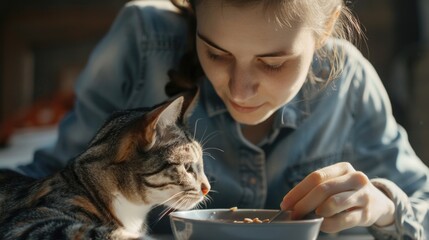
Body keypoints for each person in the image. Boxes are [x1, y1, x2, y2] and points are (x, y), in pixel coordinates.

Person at [14, 0, 428, 238]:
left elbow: (422, 204)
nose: (239, 89)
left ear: (323, 34)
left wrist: (384, 207)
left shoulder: (349, 84)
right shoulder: (142, 42)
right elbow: (50, 186)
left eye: (274, 63)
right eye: (216, 54)